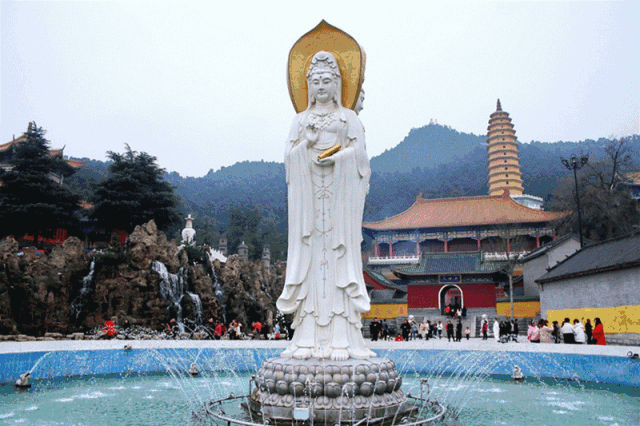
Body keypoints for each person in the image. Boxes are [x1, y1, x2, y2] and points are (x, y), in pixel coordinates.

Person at [276, 51, 373, 361]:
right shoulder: (300, 121)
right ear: (308, 85)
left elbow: (361, 159)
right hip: (309, 210)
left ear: (338, 83)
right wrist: (306, 143)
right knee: (311, 262)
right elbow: (289, 161)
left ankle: (344, 340)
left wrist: (339, 157)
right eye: (315, 81)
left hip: (339, 206)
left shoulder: (348, 119)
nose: (320, 86)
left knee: (338, 261)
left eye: (327, 80)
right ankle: (305, 340)